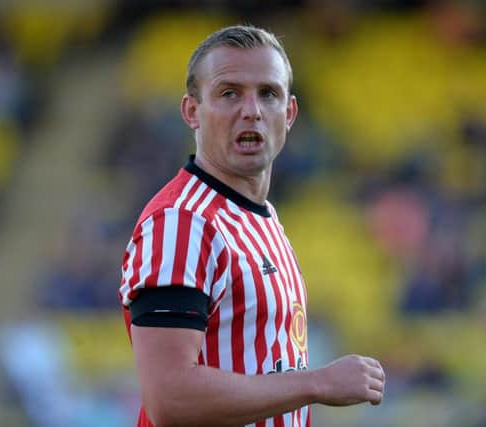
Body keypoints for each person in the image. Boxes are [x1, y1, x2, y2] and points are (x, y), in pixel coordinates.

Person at [118, 24, 385, 427]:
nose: (252, 110)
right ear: (192, 111)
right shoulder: (182, 221)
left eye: (268, 94)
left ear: (290, 113)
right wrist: (315, 383)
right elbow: (170, 398)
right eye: (229, 94)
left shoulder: (262, 218)